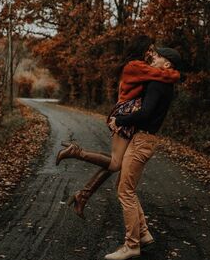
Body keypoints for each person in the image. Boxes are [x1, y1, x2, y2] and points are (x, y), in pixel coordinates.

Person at [55, 36, 180, 218]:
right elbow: (162, 74)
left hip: (128, 113)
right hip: (125, 113)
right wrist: (177, 74)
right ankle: (76, 153)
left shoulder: (138, 66)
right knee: (115, 163)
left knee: (116, 163)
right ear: (141, 49)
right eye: (150, 49)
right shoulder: (135, 66)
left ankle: (83, 195)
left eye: (154, 50)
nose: (152, 53)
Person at [104, 46, 182, 260]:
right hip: (144, 139)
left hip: (143, 140)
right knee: (125, 185)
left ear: (166, 64)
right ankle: (144, 234)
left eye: (157, 56)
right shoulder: (164, 82)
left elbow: (145, 112)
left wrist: (120, 120)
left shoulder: (158, 84)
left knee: (125, 191)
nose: (153, 58)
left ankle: (132, 245)